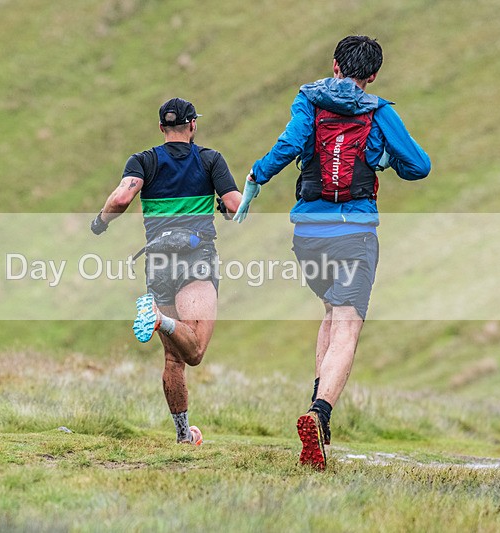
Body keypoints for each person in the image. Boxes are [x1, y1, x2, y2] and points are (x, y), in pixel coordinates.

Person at [236, 36, 431, 469]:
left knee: (330, 310)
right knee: (347, 323)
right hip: (355, 234)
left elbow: (288, 146)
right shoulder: (379, 111)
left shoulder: (308, 99)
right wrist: (382, 160)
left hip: (308, 234)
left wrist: (255, 178)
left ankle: (314, 408)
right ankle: (320, 413)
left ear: (335, 65)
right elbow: (419, 166)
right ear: (373, 75)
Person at [91, 98, 242, 445]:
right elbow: (235, 206)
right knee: (195, 352)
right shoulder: (209, 160)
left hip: (157, 261)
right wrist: (224, 206)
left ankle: (183, 437)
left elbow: (120, 200)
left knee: (174, 358)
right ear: (192, 126)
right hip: (196, 259)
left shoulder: (144, 161)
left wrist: (100, 222)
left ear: (162, 129)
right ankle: (158, 318)